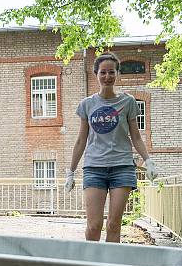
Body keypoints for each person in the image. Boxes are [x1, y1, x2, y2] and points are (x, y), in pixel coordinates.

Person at [65, 52, 158, 243]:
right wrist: (71, 172)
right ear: (96, 74)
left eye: (111, 72)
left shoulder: (128, 102)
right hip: (94, 168)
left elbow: (136, 136)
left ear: (117, 74)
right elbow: (81, 140)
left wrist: (148, 161)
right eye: (103, 72)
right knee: (94, 225)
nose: (107, 77)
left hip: (122, 168)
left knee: (114, 224)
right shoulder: (87, 104)